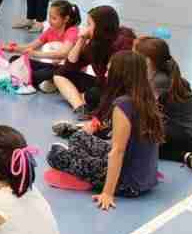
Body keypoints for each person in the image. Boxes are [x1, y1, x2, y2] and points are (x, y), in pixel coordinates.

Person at [48, 51, 163, 210]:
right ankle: (79, 155)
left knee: (55, 155)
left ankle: (75, 156)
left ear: (120, 75)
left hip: (128, 184)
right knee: (78, 137)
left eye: (110, 70)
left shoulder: (123, 105)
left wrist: (107, 193)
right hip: (144, 176)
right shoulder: (147, 97)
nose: (107, 73)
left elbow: (118, 151)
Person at [53, 5, 135, 117]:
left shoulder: (123, 43)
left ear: (101, 26)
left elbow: (121, 82)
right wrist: (81, 40)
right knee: (59, 75)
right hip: (102, 85)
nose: (86, 28)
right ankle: (80, 108)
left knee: (92, 94)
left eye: (89, 24)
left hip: (119, 92)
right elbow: (68, 68)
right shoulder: (95, 43)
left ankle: (84, 99)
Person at [133, 36, 192, 164]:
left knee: (138, 143)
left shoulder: (159, 81)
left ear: (147, 61)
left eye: (135, 56)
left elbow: (147, 115)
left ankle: (186, 155)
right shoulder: (163, 75)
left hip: (184, 136)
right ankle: (188, 157)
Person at [3, 0, 81, 92]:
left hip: (66, 69)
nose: (50, 20)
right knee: (14, 59)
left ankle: (47, 80)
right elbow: (31, 46)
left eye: (54, 18)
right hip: (52, 66)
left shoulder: (72, 31)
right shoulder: (50, 30)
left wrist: (35, 54)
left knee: (38, 74)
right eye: (50, 17)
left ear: (66, 19)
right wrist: (13, 48)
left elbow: (63, 53)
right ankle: (45, 80)